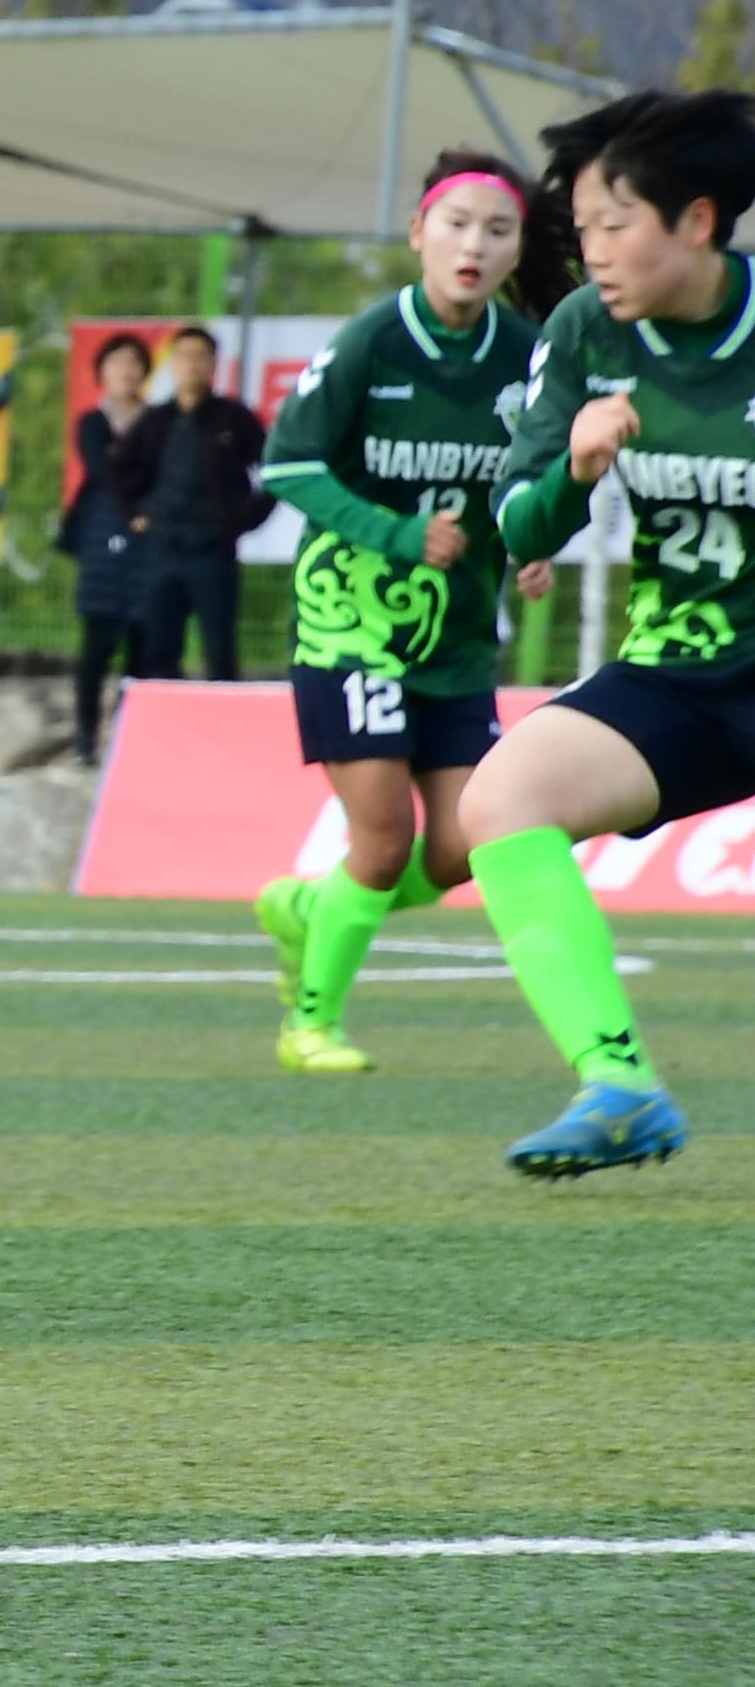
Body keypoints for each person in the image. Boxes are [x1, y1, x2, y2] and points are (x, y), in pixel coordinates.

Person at [457, 87, 755, 1176]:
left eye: (614, 224)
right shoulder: (587, 330)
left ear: (700, 221)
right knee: (500, 798)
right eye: (581, 230)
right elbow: (518, 515)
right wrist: (576, 469)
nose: (594, 253)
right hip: (679, 670)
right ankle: (619, 1081)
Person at [244, 151, 562, 1075]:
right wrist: (393, 531)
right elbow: (290, 463)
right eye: (456, 225)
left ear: (515, 253)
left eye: (496, 231)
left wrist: (533, 537)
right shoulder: (367, 343)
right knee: (382, 844)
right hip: (350, 628)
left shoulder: (526, 357)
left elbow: (529, 478)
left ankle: (311, 908)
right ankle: (310, 1025)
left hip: (458, 639)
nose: (474, 245)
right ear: (419, 233)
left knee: (465, 847)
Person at [111, 324, 268, 680]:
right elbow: (118, 470)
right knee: (158, 651)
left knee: (219, 650)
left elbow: (272, 470)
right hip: (163, 547)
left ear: (214, 364)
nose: (192, 364)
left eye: (201, 356)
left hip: (212, 550)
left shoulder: (233, 417)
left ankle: (222, 729)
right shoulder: (155, 420)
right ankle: (164, 729)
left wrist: (243, 518)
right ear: (172, 364)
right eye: (184, 356)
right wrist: (133, 514)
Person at [61, 332, 152, 762]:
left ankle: (130, 739)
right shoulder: (92, 422)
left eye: (133, 363)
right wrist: (132, 507)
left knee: (144, 644)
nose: (126, 372)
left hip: (147, 544)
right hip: (102, 537)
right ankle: (85, 738)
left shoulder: (158, 421)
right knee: (96, 645)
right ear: (101, 373)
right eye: (117, 363)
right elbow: (103, 470)